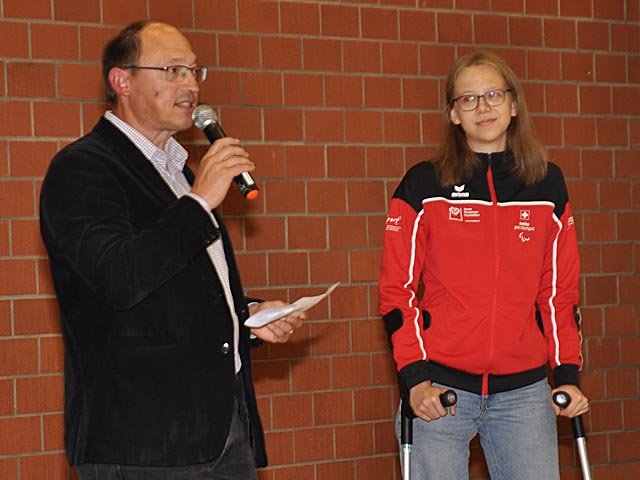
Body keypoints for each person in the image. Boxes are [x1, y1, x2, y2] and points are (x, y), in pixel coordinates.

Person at [39, 21, 304, 480]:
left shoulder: (179, 173)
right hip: (142, 441)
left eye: (194, 72)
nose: (191, 85)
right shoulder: (82, 169)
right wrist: (199, 204)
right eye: (173, 70)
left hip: (222, 432)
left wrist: (248, 316)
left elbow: (173, 290)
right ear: (122, 80)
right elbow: (119, 279)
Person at [379, 51, 589, 479]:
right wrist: (415, 380)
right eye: (468, 99)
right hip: (440, 390)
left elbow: (558, 293)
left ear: (514, 105)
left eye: (494, 94)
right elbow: (396, 293)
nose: (483, 107)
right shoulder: (424, 184)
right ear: (454, 114)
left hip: (524, 392)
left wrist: (567, 373)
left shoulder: (547, 184)